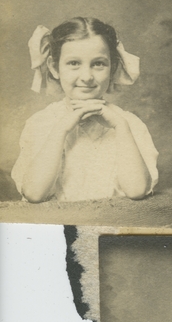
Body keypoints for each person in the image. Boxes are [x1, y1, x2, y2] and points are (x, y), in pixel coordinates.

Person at [12, 17, 158, 202]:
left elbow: (137, 191)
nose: (87, 76)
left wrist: (121, 127)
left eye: (98, 64)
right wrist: (61, 129)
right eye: (73, 63)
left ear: (112, 68)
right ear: (54, 68)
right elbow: (34, 194)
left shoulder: (129, 123)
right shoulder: (40, 123)